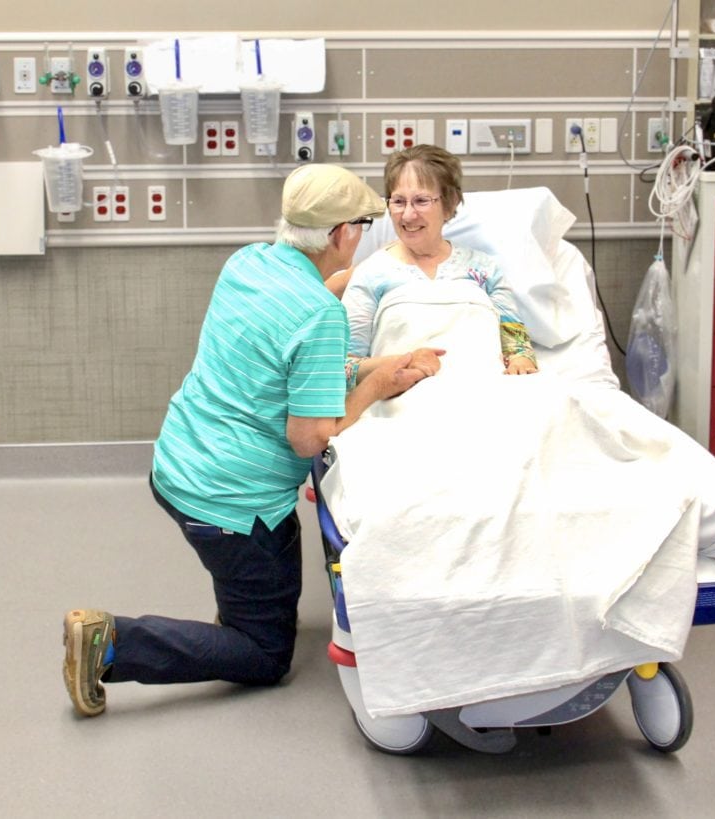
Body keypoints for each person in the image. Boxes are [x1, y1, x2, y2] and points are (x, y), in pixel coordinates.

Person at [63, 164, 444, 717]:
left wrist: (373, 357)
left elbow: (285, 355)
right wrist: (378, 385)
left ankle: (241, 607)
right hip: (230, 503)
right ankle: (113, 642)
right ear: (342, 234)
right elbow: (310, 440)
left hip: (178, 463)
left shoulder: (247, 263)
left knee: (265, 566)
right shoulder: (320, 316)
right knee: (264, 653)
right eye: (364, 225)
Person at [340, 144, 539, 375]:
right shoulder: (371, 273)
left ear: (449, 204)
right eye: (398, 201)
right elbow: (348, 367)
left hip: (483, 385)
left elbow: (518, 348)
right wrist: (402, 365)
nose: (408, 215)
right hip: (404, 390)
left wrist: (521, 362)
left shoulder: (484, 269)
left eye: (421, 201)